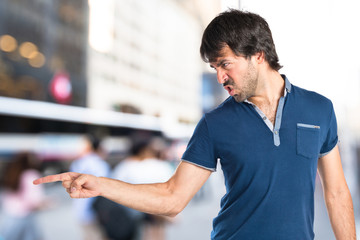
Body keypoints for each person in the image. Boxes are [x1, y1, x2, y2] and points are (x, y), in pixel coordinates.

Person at [33, 9, 356, 240]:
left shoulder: (319, 110)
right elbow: (172, 198)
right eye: (215, 67)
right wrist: (102, 184)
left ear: (259, 55)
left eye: (225, 64)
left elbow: (337, 193)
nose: (220, 77)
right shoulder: (215, 123)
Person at [112, 136, 174, 240]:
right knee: (157, 232)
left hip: (132, 209)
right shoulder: (159, 165)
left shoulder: (125, 166)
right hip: (157, 207)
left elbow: (115, 184)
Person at [69, 134, 110, 240]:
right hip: (96, 210)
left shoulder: (78, 162)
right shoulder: (100, 164)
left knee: (88, 235)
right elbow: (107, 186)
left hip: (80, 208)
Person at [0, 152, 48, 240]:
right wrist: (48, 203)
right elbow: (35, 201)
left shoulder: (11, 172)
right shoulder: (31, 175)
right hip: (25, 218)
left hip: (10, 217)